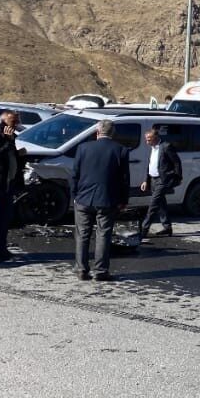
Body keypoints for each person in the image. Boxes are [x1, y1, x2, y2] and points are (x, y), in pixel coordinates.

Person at [71, 120, 130, 281]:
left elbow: (75, 174)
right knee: (103, 234)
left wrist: (74, 195)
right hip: (107, 199)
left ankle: (82, 270)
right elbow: (124, 179)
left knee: (82, 234)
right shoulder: (121, 150)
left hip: (83, 198)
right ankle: (100, 271)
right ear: (113, 134)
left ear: (97, 132)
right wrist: (124, 200)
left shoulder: (83, 148)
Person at [0, 110, 25, 263]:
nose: (16, 124)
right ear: (4, 121)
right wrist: (7, 141)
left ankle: (1, 250)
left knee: (5, 219)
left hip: (7, 185)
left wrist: (20, 155)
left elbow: (10, 159)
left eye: (17, 121)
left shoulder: (11, 137)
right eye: (13, 121)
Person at [140, 128, 181, 238]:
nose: (147, 142)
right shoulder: (152, 148)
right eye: (146, 139)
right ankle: (167, 228)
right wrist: (145, 180)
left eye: (149, 139)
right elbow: (150, 165)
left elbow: (176, 162)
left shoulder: (166, 146)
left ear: (156, 137)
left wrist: (176, 178)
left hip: (162, 180)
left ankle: (144, 230)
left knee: (153, 205)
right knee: (161, 204)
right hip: (153, 180)